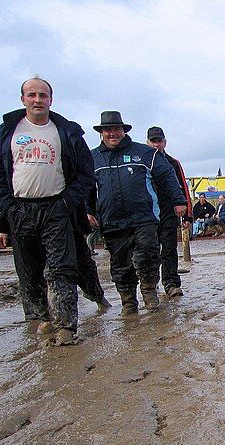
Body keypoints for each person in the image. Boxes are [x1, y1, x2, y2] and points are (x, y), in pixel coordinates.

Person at [0, 77, 95, 345]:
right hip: (20, 208)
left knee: (61, 268)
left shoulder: (66, 133)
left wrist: (68, 202)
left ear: (51, 99)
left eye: (43, 95)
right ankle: (42, 318)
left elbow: (85, 172)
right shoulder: (5, 133)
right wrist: (7, 207)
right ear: (23, 99)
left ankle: (66, 326)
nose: (38, 100)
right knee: (29, 269)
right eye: (32, 95)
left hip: (56, 208)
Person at [88, 111, 186, 315]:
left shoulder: (144, 153)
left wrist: (178, 200)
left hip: (144, 218)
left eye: (116, 129)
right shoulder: (92, 158)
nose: (112, 133)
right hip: (112, 221)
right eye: (108, 130)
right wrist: (88, 211)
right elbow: (86, 187)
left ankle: (149, 293)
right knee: (120, 264)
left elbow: (167, 175)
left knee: (148, 255)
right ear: (101, 133)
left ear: (124, 130)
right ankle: (128, 301)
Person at [146, 125, 192, 298]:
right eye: (153, 141)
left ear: (165, 142)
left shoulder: (173, 163)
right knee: (149, 250)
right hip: (147, 213)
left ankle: (171, 283)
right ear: (147, 142)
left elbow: (183, 187)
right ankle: (151, 285)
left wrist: (188, 214)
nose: (156, 144)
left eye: (159, 141)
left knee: (169, 248)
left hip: (168, 211)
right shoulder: (141, 162)